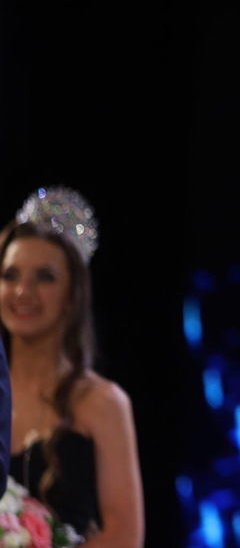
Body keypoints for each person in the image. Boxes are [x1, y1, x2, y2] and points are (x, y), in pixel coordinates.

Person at [0, 185, 145, 545]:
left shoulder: (102, 402)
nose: (23, 291)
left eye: (44, 277)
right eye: (10, 275)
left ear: (72, 294)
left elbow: (124, 536)